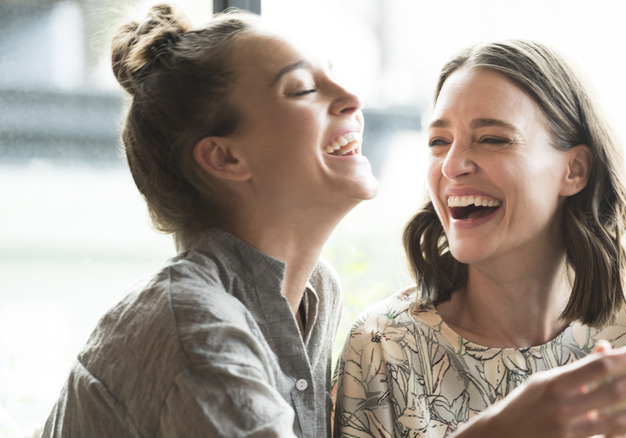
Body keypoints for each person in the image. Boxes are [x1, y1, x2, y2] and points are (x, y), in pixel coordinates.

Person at [332, 39, 626, 437]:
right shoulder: (382, 345)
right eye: (438, 142)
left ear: (574, 170)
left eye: (492, 139)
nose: (451, 165)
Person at [41, 4, 377, 437]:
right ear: (226, 157)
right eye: (301, 89)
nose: (352, 97)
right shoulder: (192, 329)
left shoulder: (317, 293)